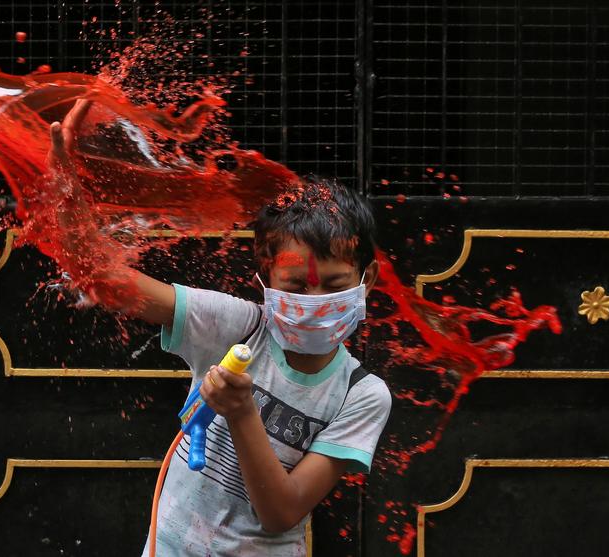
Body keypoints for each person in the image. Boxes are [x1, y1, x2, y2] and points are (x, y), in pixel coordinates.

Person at [48, 101, 392, 556]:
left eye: (333, 285)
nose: (312, 302)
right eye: (294, 284)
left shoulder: (362, 395)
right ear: (265, 281)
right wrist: (64, 189)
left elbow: (281, 513)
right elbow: (102, 279)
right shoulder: (238, 326)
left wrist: (241, 411)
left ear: (366, 279)